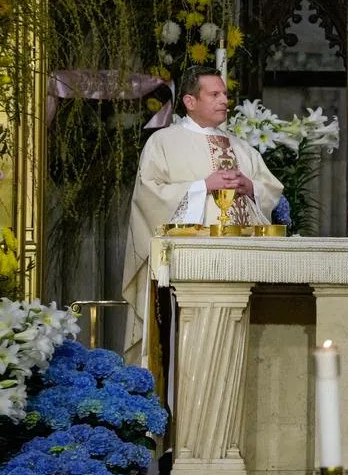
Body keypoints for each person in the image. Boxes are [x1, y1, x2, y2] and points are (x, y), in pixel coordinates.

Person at [121, 66, 283, 367]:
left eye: (225, 94)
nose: (225, 100)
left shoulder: (241, 147)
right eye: (215, 94)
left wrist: (251, 187)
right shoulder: (164, 142)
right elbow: (148, 194)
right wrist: (201, 187)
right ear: (190, 101)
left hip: (241, 266)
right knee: (189, 355)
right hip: (187, 269)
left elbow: (271, 188)